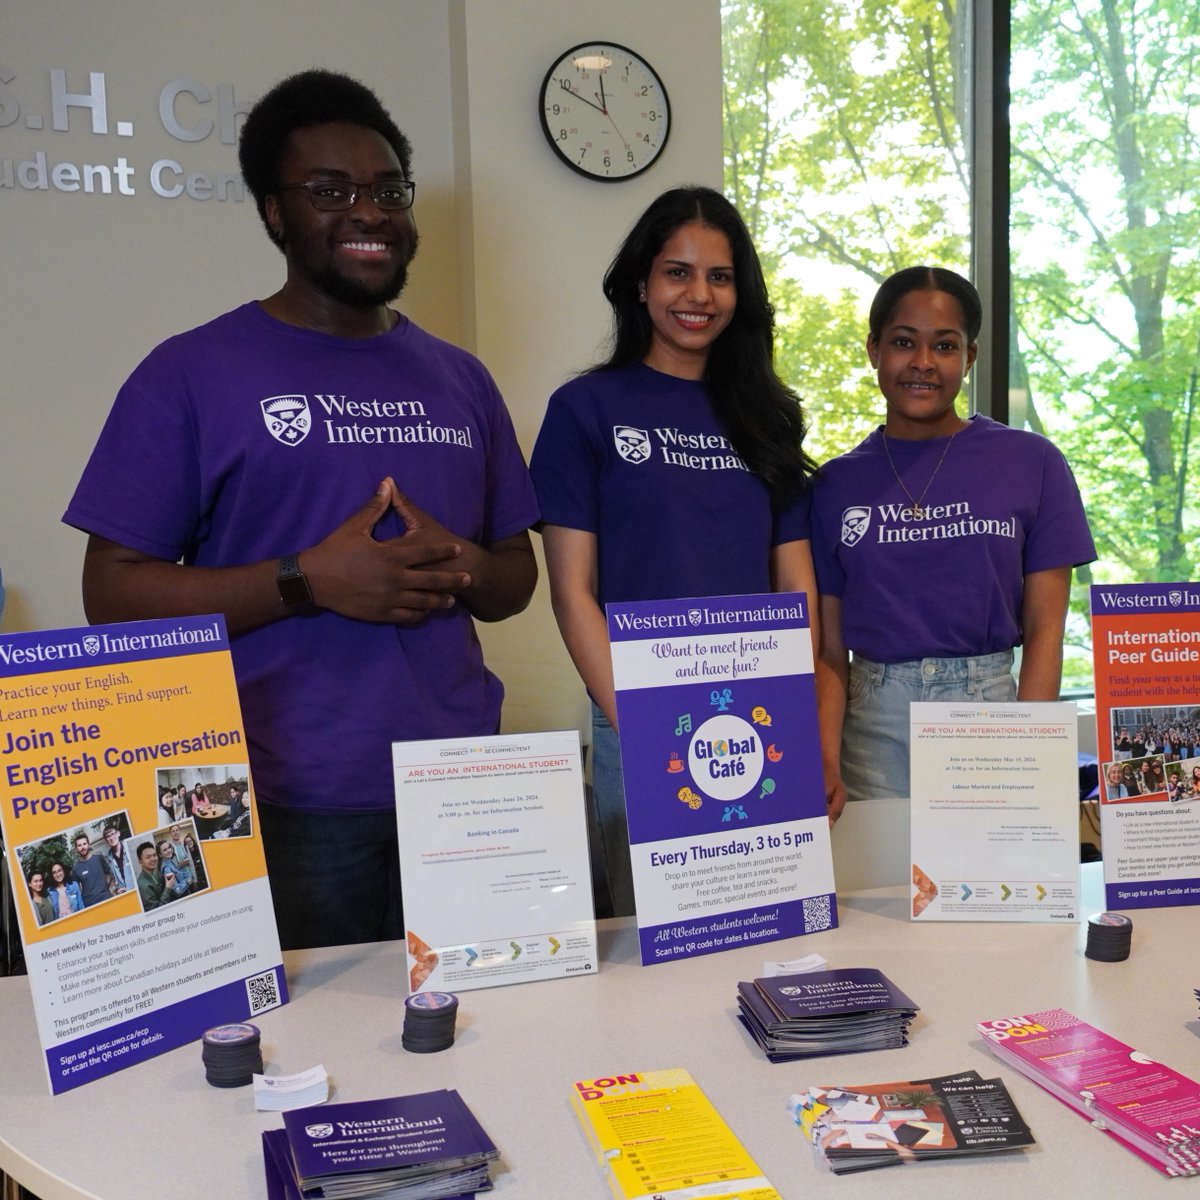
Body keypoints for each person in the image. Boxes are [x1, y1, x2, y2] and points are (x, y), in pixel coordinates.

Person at [62, 70, 539, 950]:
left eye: (388, 189)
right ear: (274, 214)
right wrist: (305, 580)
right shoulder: (191, 373)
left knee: (483, 1042)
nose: (369, 211)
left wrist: (460, 561)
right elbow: (112, 593)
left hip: (464, 783)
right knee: (312, 1064)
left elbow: (514, 576)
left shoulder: (460, 378)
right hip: (282, 799)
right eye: (330, 191)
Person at [530, 186, 818, 916]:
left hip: (758, 720)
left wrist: (793, 709)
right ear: (641, 283)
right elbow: (572, 591)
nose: (699, 295)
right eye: (677, 272)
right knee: (656, 940)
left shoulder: (768, 416)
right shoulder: (584, 411)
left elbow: (796, 584)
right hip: (639, 714)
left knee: (762, 926)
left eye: (719, 276)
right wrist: (642, 720)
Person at [811, 267, 1096, 808]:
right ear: (873, 350)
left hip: (991, 713)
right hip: (872, 726)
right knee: (882, 893)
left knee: (995, 890)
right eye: (902, 342)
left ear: (968, 357)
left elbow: (1044, 630)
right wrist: (825, 761)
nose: (922, 363)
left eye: (944, 345)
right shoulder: (833, 485)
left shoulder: (1031, 462)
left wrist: (1030, 746)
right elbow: (827, 651)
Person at [70, 833, 112, 907]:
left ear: (89, 845)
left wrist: (104, 888)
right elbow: (76, 889)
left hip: (106, 899)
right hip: (89, 904)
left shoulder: (99, 858)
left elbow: (108, 874)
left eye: (84, 844)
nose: (82, 847)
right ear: (76, 849)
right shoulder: (75, 868)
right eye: (79, 845)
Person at [135, 843, 169, 911]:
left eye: (154, 855)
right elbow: (156, 911)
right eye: (148, 857)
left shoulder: (156, 872)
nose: (153, 859)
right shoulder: (142, 884)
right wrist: (168, 888)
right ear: (140, 862)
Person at [101, 824, 134, 893]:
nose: (111, 838)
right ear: (106, 840)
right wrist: (116, 890)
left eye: (113, 834)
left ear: (118, 833)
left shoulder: (129, 848)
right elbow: (114, 878)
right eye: (108, 836)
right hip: (124, 893)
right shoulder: (109, 858)